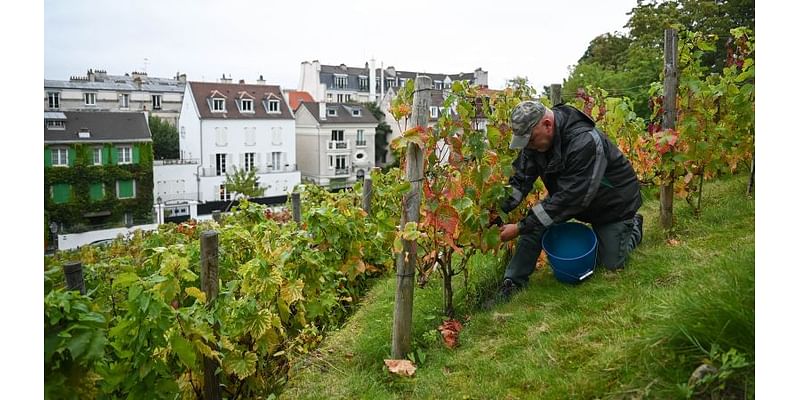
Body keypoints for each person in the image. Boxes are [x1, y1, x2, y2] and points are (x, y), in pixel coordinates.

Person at [496, 100, 644, 298]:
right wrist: (497, 211)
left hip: (613, 205)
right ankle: (512, 282)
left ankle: (633, 227)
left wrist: (519, 227)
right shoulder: (535, 144)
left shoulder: (584, 142)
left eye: (530, 140)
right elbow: (520, 180)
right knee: (536, 223)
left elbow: (569, 199)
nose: (528, 146)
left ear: (548, 125)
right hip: (574, 197)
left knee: (608, 265)